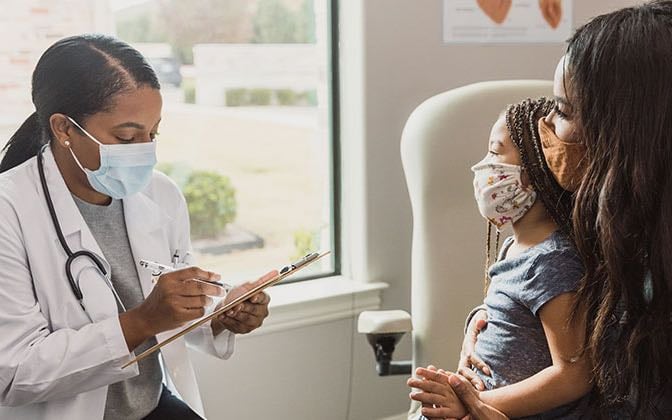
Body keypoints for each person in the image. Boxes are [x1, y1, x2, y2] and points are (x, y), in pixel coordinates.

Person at [0, 34, 272, 420]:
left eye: (153, 133)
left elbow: (172, 309)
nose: (146, 151)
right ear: (64, 129)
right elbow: (14, 372)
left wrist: (218, 314)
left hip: (150, 405)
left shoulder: (161, 196)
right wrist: (143, 320)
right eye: (127, 137)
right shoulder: (8, 211)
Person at [438, 2, 672, 418]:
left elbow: (588, 374)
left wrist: (478, 405)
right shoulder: (609, 225)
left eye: (562, 111)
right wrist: (487, 320)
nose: (551, 136)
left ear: (625, 127)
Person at [408, 97, 590, 419]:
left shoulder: (551, 261)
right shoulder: (514, 248)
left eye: (494, 151)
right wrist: (475, 326)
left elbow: (573, 375)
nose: (482, 166)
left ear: (532, 172)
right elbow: (514, 314)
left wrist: (472, 404)